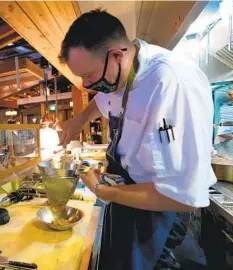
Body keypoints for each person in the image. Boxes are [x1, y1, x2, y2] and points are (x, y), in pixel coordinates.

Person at [58, 9, 216, 269]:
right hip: (130, 200)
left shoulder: (171, 83)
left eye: (88, 75)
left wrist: (102, 190)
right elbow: (102, 99)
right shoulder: (121, 74)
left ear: (117, 55)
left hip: (159, 214)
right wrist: (80, 119)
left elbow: (181, 196)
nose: (86, 85)